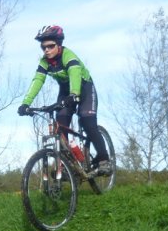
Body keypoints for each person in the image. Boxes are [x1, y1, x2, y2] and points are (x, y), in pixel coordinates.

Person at [17, 25, 111, 176]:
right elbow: (38, 80)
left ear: (59, 45)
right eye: (43, 47)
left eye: (50, 46)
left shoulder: (68, 56)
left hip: (84, 87)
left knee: (87, 121)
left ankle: (104, 159)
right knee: (61, 122)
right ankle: (68, 166)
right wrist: (26, 103)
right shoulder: (45, 62)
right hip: (65, 90)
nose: (46, 50)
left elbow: (74, 73)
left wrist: (74, 94)